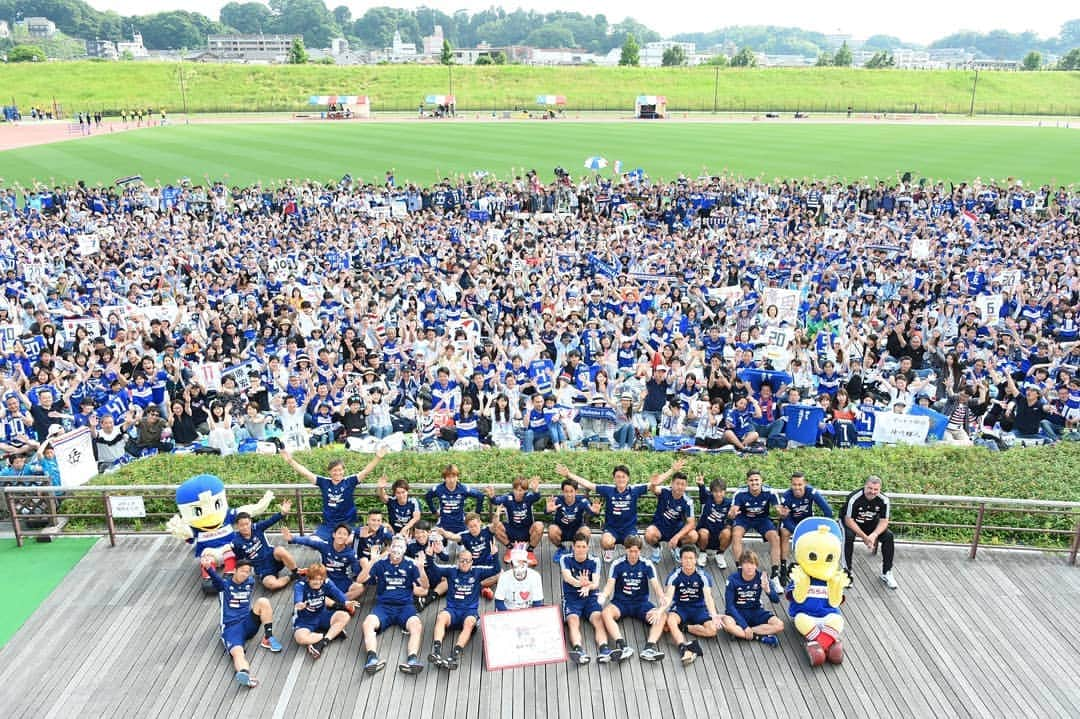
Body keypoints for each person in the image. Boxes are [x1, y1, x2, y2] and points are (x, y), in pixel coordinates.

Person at [560, 459, 686, 563]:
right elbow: (588, 484)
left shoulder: (634, 490)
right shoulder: (608, 490)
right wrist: (569, 475)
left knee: (636, 545)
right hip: (612, 529)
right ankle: (610, 549)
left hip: (629, 529)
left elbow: (655, 482)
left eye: (623, 477)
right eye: (618, 477)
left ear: (628, 478)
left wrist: (672, 470)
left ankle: (630, 549)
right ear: (614, 478)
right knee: (605, 542)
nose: (621, 479)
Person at [202, 556, 280, 689]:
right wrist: (208, 567)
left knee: (263, 601)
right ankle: (244, 674)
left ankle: (268, 637)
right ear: (235, 570)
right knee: (238, 653)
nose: (245, 574)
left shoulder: (250, 581)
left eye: (247, 571)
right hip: (231, 628)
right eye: (242, 571)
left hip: (248, 623)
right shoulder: (224, 585)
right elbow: (215, 578)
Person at [640, 545, 722, 665]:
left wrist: (714, 615)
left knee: (712, 630)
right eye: (685, 558)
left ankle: (685, 628)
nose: (688, 561)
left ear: (696, 560)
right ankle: (683, 647)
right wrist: (660, 610)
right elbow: (668, 597)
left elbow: (708, 597)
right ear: (681, 559)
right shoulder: (675, 575)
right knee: (671, 620)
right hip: (681, 608)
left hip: (699, 609)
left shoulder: (703, 576)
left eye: (691, 558)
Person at [281, 447, 387, 540]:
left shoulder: (350, 481)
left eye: (340, 470)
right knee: (313, 540)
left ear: (344, 471)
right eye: (334, 470)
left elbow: (365, 471)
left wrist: (378, 457)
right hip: (329, 525)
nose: (337, 473)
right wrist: (290, 461)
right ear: (330, 472)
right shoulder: (324, 482)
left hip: (348, 524)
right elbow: (306, 473)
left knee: (351, 540)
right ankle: (294, 539)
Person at [359, 535, 429, 674]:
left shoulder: (410, 564)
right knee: (367, 623)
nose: (397, 549)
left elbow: (426, 586)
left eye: (400, 546)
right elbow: (360, 579)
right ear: (390, 548)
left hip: (405, 606)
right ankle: (372, 659)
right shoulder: (380, 563)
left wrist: (421, 568)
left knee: (416, 625)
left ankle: (412, 660)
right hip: (384, 606)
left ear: (405, 549)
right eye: (395, 546)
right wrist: (372, 561)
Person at [421, 548, 498, 669]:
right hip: (452, 610)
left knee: (470, 622)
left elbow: (495, 569)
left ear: (472, 562)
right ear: (458, 561)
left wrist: (495, 555)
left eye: (468, 561)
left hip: (469, 612)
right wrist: (430, 557)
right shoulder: (452, 571)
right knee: (441, 617)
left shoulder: (477, 571)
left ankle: (454, 655)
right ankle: (436, 651)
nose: (465, 563)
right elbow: (435, 569)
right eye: (462, 560)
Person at [598, 535, 664, 662]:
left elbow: (656, 585)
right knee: (605, 613)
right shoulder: (617, 564)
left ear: (640, 551)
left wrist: (661, 598)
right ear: (625, 549)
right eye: (630, 551)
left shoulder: (647, 564)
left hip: (641, 604)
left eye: (636, 551)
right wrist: (603, 595)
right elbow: (609, 585)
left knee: (662, 616)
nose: (633, 554)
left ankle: (649, 648)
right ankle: (623, 647)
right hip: (620, 603)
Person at [728, 469, 784, 595]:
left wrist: (781, 512)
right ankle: (740, 569)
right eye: (751, 480)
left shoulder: (770, 491)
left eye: (756, 480)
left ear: (761, 481)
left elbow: (778, 508)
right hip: (744, 519)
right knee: (736, 535)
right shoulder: (740, 493)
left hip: (762, 519)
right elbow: (733, 511)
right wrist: (732, 514)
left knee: (775, 537)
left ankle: (775, 574)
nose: (754, 483)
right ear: (747, 482)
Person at [559, 531, 610, 665]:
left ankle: (604, 649)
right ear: (573, 547)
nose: (581, 550)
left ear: (588, 547)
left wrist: (588, 587)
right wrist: (580, 583)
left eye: (583, 547)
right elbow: (567, 577)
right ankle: (578, 650)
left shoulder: (595, 560)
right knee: (573, 621)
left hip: (590, 596)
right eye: (578, 547)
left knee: (598, 620)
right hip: (572, 597)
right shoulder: (565, 559)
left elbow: (596, 583)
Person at [231, 499, 301, 591]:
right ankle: (291, 577)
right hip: (262, 569)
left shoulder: (257, 528)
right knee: (272, 584)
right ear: (237, 526)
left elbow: (270, 521)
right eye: (242, 525)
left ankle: (297, 572)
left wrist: (282, 513)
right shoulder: (236, 542)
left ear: (250, 522)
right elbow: (240, 560)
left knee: (280, 550)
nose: (245, 527)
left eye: (247, 524)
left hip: (273, 558)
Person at [842, 475, 897, 589]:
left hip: (871, 524)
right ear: (865, 487)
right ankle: (846, 572)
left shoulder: (884, 500)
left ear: (880, 489)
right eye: (870, 488)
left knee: (889, 536)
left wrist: (874, 535)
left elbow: (884, 521)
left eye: (876, 489)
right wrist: (864, 537)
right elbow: (848, 520)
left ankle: (886, 572)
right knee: (848, 536)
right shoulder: (854, 498)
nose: (872, 492)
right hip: (851, 523)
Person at [778, 472, 834, 584]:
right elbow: (785, 518)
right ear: (791, 484)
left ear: (805, 484)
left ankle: (813, 564)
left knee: (817, 537)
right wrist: (797, 531)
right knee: (784, 533)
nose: (797, 487)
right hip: (791, 522)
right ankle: (783, 568)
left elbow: (828, 511)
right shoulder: (786, 496)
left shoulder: (811, 492)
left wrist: (822, 525)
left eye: (800, 484)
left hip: (807, 521)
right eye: (794, 484)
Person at [719, 550, 784, 646]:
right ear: (741, 565)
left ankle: (741, 634)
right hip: (737, 612)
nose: (749, 567)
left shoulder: (761, 577)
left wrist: (768, 590)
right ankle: (760, 637)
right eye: (746, 563)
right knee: (727, 625)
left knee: (779, 625)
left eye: (752, 563)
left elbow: (776, 600)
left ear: (756, 565)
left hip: (755, 611)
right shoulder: (732, 579)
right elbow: (729, 606)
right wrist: (745, 626)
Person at [283, 523, 363, 601]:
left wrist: (362, 564)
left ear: (348, 537)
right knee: (302, 584)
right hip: (323, 579)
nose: (341, 536)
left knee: (359, 587)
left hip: (341, 581)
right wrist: (292, 539)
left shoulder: (350, 553)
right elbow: (309, 541)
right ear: (334, 535)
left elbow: (356, 571)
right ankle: (333, 602)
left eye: (344, 534)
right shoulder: (325, 546)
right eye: (339, 533)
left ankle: (335, 603)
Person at [292, 562, 355, 659]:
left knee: (345, 616)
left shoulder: (326, 582)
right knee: (300, 638)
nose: (318, 582)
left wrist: (346, 602)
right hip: (305, 619)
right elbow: (298, 597)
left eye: (320, 579)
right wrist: (299, 604)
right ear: (308, 578)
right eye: (314, 579)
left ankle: (323, 642)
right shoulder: (300, 585)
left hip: (322, 614)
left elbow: (336, 592)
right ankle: (333, 633)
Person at [643, 469, 698, 564]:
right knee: (649, 534)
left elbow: (691, 523)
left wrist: (677, 537)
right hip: (660, 528)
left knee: (693, 535)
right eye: (677, 483)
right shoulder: (664, 492)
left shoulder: (688, 501)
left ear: (686, 486)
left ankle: (678, 548)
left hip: (676, 530)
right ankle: (657, 548)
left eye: (683, 484)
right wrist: (654, 483)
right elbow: (653, 489)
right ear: (672, 484)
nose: (680, 487)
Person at [487, 476, 544, 565]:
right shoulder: (508, 498)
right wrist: (492, 496)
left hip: (527, 530)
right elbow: (496, 501)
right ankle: (510, 548)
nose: (518, 493)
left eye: (521, 490)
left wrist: (536, 489)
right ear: (513, 489)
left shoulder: (528, 497)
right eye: (516, 490)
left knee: (539, 525)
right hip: (512, 530)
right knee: (495, 526)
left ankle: (530, 551)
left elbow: (537, 496)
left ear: (525, 490)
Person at [546, 475, 599, 564]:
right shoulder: (557, 500)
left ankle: (576, 550)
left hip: (576, 532)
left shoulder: (582, 501)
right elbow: (546, 512)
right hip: (561, 531)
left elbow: (592, 512)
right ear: (562, 491)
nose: (569, 494)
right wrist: (548, 510)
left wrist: (595, 511)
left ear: (576, 491)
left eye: (571, 491)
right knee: (551, 529)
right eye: (566, 491)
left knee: (586, 530)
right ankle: (561, 549)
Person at [425, 464, 485, 539]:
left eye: (454, 477)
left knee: (470, 540)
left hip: (460, 523)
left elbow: (480, 495)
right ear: (444, 478)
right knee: (433, 539)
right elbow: (428, 496)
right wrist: (434, 512)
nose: (451, 480)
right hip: (444, 523)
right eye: (448, 477)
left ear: (457, 477)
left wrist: (477, 514)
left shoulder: (463, 488)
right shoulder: (439, 489)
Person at [694, 475, 732, 569]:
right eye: (715, 491)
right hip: (704, 535)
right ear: (711, 492)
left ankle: (720, 555)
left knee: (728, 533)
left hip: (719, 536)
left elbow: (733, 518)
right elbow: (702, 491)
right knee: (703, 532)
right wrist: (700, 484)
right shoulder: (707, 498)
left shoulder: (729, 503)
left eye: (721, 491)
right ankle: (702, 553)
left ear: (725, 491)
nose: (718, 494)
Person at [494, 545, 545, 611]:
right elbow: (499, 601)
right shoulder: (504, 577)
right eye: (516, 566)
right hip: (508, 610)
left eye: (522, 566)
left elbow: (537, 602)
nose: (519, 570)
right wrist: (509, 615)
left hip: (529, 610)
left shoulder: (535, 577)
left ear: (527, 565)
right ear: (511, 566)